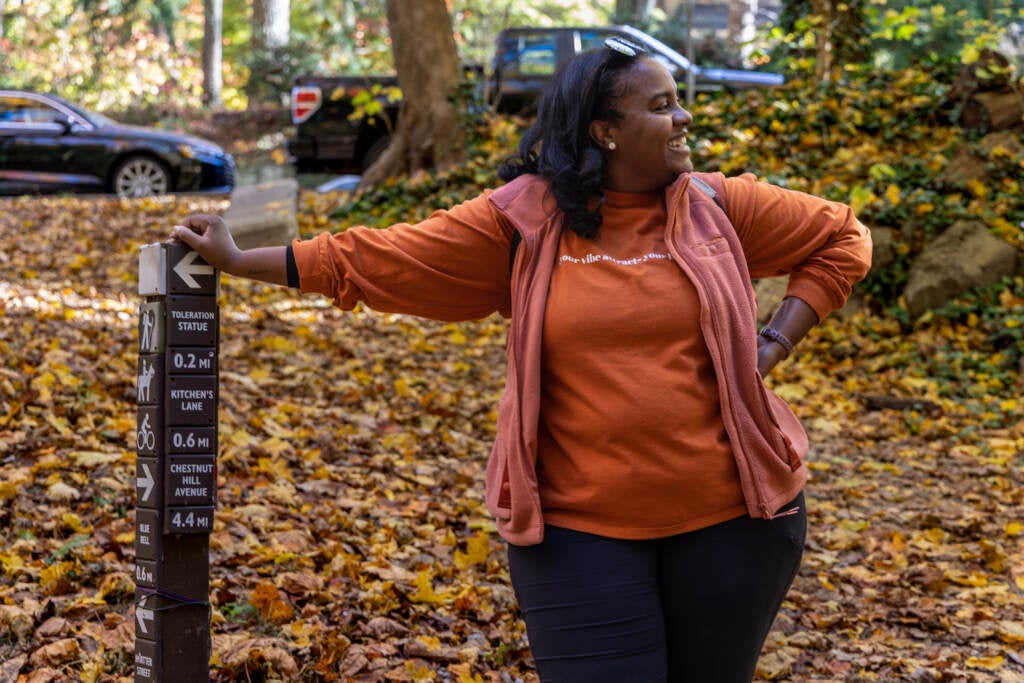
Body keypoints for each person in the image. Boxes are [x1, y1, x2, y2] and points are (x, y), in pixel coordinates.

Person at [171, 37, 872, 683]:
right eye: (661, 107)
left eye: (679, 101)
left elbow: (843, 237)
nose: (684, 118)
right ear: (605, 130)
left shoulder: (718, 206)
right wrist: (240, 260)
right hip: (577, 532)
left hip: (735, 527)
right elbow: (384, 256)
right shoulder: (525, 221)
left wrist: (775, 338)